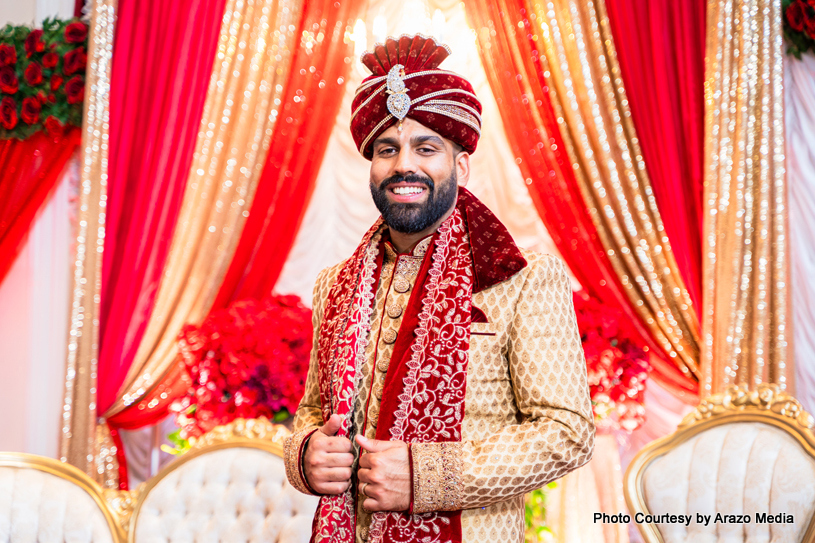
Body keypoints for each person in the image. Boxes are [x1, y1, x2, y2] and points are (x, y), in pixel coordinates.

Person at [284, 34, 594, 543]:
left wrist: (427, 476)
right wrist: (306, 455)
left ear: (461, 166)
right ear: (373, 167)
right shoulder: (334, 284)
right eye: (388, 149)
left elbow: (568, 434)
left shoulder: (520, 277)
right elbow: (315, 413)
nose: (405, 165)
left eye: (426, 147)